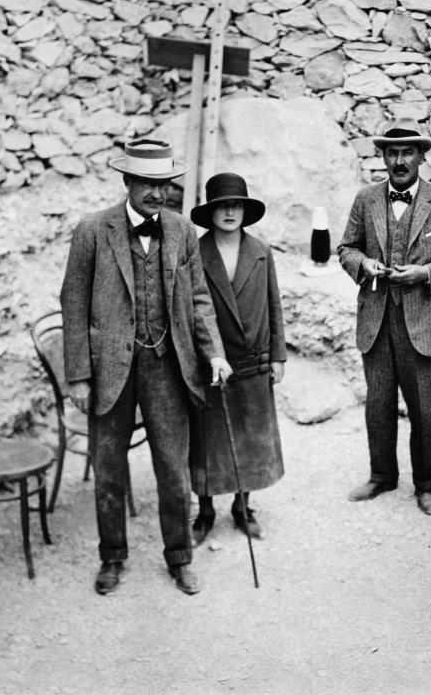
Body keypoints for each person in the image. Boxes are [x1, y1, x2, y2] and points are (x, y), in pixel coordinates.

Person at [60, 139, 232, 596]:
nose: (158, 194)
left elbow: (198, 301)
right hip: (109, 370)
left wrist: (213, 352)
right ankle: (112, 558)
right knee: (109, 469)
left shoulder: (180, 232)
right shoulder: (93, 231)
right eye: (148, 184)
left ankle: (179, 558)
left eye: (164, 185)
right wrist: (77, 374)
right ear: (128, 182)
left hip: (167, 367)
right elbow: (73, 305)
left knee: (173, 471)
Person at [337, 118, 431, 516]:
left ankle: (425, 485)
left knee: (423, 409)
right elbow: (346, 248)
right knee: (377, 405)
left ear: (421, 157)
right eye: (392, 153)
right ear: (382, 157)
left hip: (423, 320)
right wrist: (365, 265)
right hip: (376, 320)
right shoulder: (366, 199)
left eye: (407, 153)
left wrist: (425, 274)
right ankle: (381, 476)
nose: (399, 161)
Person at [188, 173, 286, 543]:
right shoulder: (194, 253)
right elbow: (190, 310)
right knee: (208, 441)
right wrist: (206, 354)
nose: (229, 212)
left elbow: (273, 304)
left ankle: (243, 506)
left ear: (245, 211)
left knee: (250, 438)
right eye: (221, 206)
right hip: (211, 361)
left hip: (253, 361)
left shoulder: (261, 251)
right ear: (209, 214)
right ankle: (206, 510)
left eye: (236, 205)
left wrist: (277, 356)